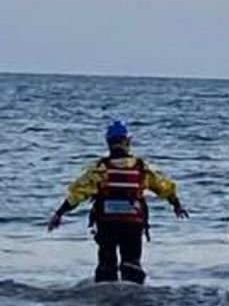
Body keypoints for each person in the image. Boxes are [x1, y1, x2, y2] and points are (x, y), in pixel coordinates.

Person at [46, 120, 189, 283]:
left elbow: (78, 193)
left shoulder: (100, 169)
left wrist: (59, 213)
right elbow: (164, 187)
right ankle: (133, 294)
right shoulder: (141, 167)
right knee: (132, 262)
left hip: (107, 224)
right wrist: (176, 205)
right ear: (127, 141)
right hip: (133, 223)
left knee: (106, 264)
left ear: (108, 143)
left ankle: (106, 296)